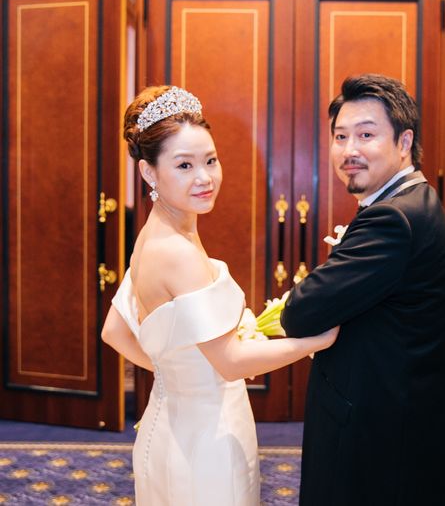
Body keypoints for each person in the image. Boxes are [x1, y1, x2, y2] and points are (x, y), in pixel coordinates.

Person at [101, 85, 338, 506]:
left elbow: (114, 330)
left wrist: (179, 374)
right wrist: (316, 341)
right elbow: (230, 363)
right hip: (206, 445)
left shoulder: (150, 238)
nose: (205, 177)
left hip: (170, 425)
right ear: (149, 173)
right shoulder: (177, 253)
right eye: (184, 165)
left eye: (210, 160)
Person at [281, 74, 445, 505]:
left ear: (404, 142)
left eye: (366, 135)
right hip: (408, 421)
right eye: (340, 136)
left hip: (375, 436)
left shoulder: (391, 219)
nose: (350, 150)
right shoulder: (422, 201)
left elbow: (300, 313)